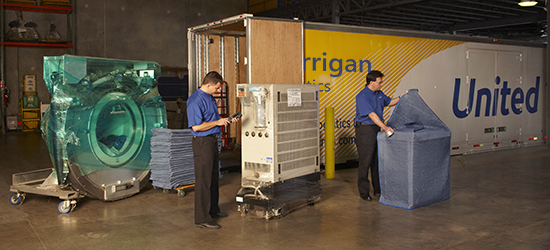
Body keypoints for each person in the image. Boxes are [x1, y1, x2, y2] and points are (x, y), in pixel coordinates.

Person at [187, 71, 238, 229]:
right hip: (203, 143)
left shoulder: (209, 97)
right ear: (208, 85)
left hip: (213, 141)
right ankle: (202, 218)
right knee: (204, 180)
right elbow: (196, 126)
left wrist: (225, 121)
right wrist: (217, 123)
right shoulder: (195, 100)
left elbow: (212, 121)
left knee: (214, 176)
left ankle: (213, 210)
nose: (218, 91)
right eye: (216, 88)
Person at [354, 70, 405, 201]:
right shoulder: (362, 96)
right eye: (379, 82)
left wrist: (401, 97)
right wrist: (385, 127)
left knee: (377, 160)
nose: (381, 84)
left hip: (376, 129)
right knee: (365, 162)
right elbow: (371, 114)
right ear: (371, 82)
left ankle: (378, 189)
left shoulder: (379, 94)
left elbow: (389, 102)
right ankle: (364, 193)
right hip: (365, 131)